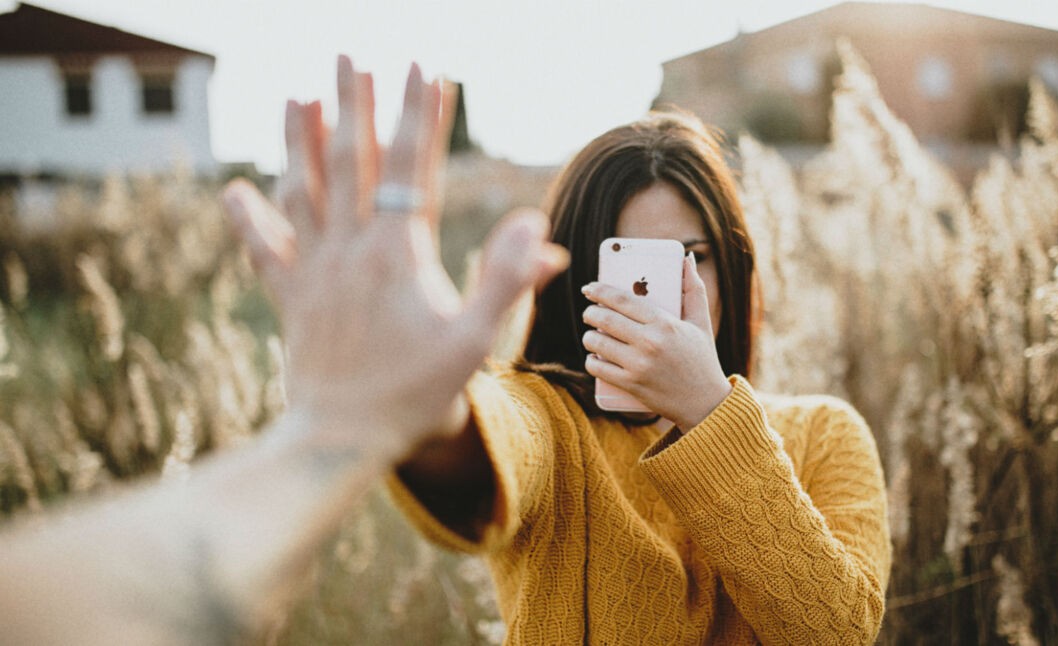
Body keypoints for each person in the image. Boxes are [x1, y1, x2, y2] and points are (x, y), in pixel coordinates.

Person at [253, 60, 892, 644]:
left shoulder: (825, 435)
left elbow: (839, 634)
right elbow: (488, 446)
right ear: (574, 281)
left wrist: (707, 410)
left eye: (691, 258)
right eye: (628, 270)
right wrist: (433, 410)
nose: (657, 300)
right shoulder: (548, 419)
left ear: (733, 265)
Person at [0, 57, 567, 645]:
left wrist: (338, 425)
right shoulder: (559, 413)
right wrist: (345, 423)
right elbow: (522, 445)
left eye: (675, 251)